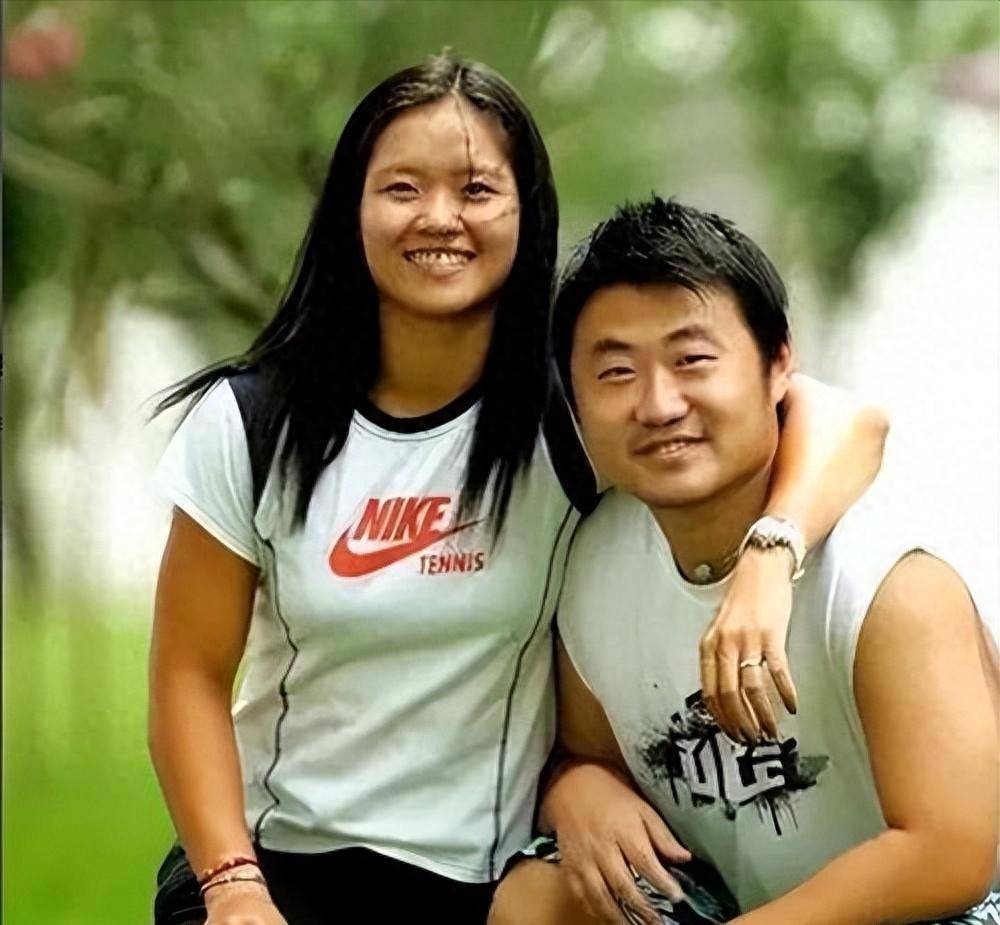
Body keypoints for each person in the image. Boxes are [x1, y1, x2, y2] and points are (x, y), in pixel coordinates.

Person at [148, 54, 888, 925]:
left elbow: (847, 420)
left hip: (485, 880)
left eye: (476, 190)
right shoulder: (253, 422)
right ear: (352, 209)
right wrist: (232, 883)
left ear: (526, 212)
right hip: (276, 865)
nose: (439, 217)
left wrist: (770, 555)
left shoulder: (574, 414)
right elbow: (189, 676)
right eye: (402, 188)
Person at [489, 197, 999, 925]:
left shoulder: (887, 575)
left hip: (946, 910)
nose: (659, 404)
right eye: (616, 372)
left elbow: (950, 853)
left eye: (692, 360)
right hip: (741, 899)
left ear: (778, 363)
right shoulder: (599, 555)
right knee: (542, 894)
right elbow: (586, 746)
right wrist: (579, 788)